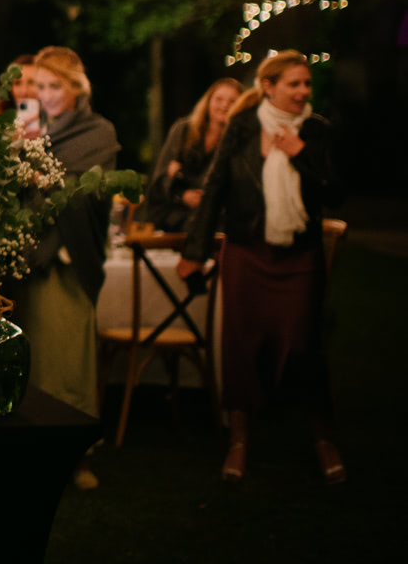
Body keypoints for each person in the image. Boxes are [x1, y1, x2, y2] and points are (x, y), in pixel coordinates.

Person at [177, 51, 345, 484]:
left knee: (304, 344)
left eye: (307, 84)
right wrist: (194, 249)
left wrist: (301, 152)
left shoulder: (316, 130)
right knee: (241, 343)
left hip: (298, 255)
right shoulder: (243, 126)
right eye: (294, 84)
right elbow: (215, 187)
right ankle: (239, 438)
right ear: (268, 86)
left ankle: (322, 437)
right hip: (247, 250)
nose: (303, 91)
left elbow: (338, 192)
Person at [22, 46, 119, 488]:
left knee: (69, 361)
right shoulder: (30, 128)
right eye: (40, 87)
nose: (47, 95)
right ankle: (35, 450)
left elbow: (78, 193)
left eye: (55, 86)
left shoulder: (99, 132)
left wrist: (34, 171)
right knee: (36, 361)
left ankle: (77, 455)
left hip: (67, 258)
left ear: (76, 88)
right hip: (27, 258)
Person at [140, 77, 243, 232]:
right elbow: (161, 178)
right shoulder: (183, 130)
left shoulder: (240, 140)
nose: (224, 106)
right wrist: (183, 195)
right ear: (208, 101)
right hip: (173, 215)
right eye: (219, 99)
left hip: (216, 221)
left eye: (232, 101)